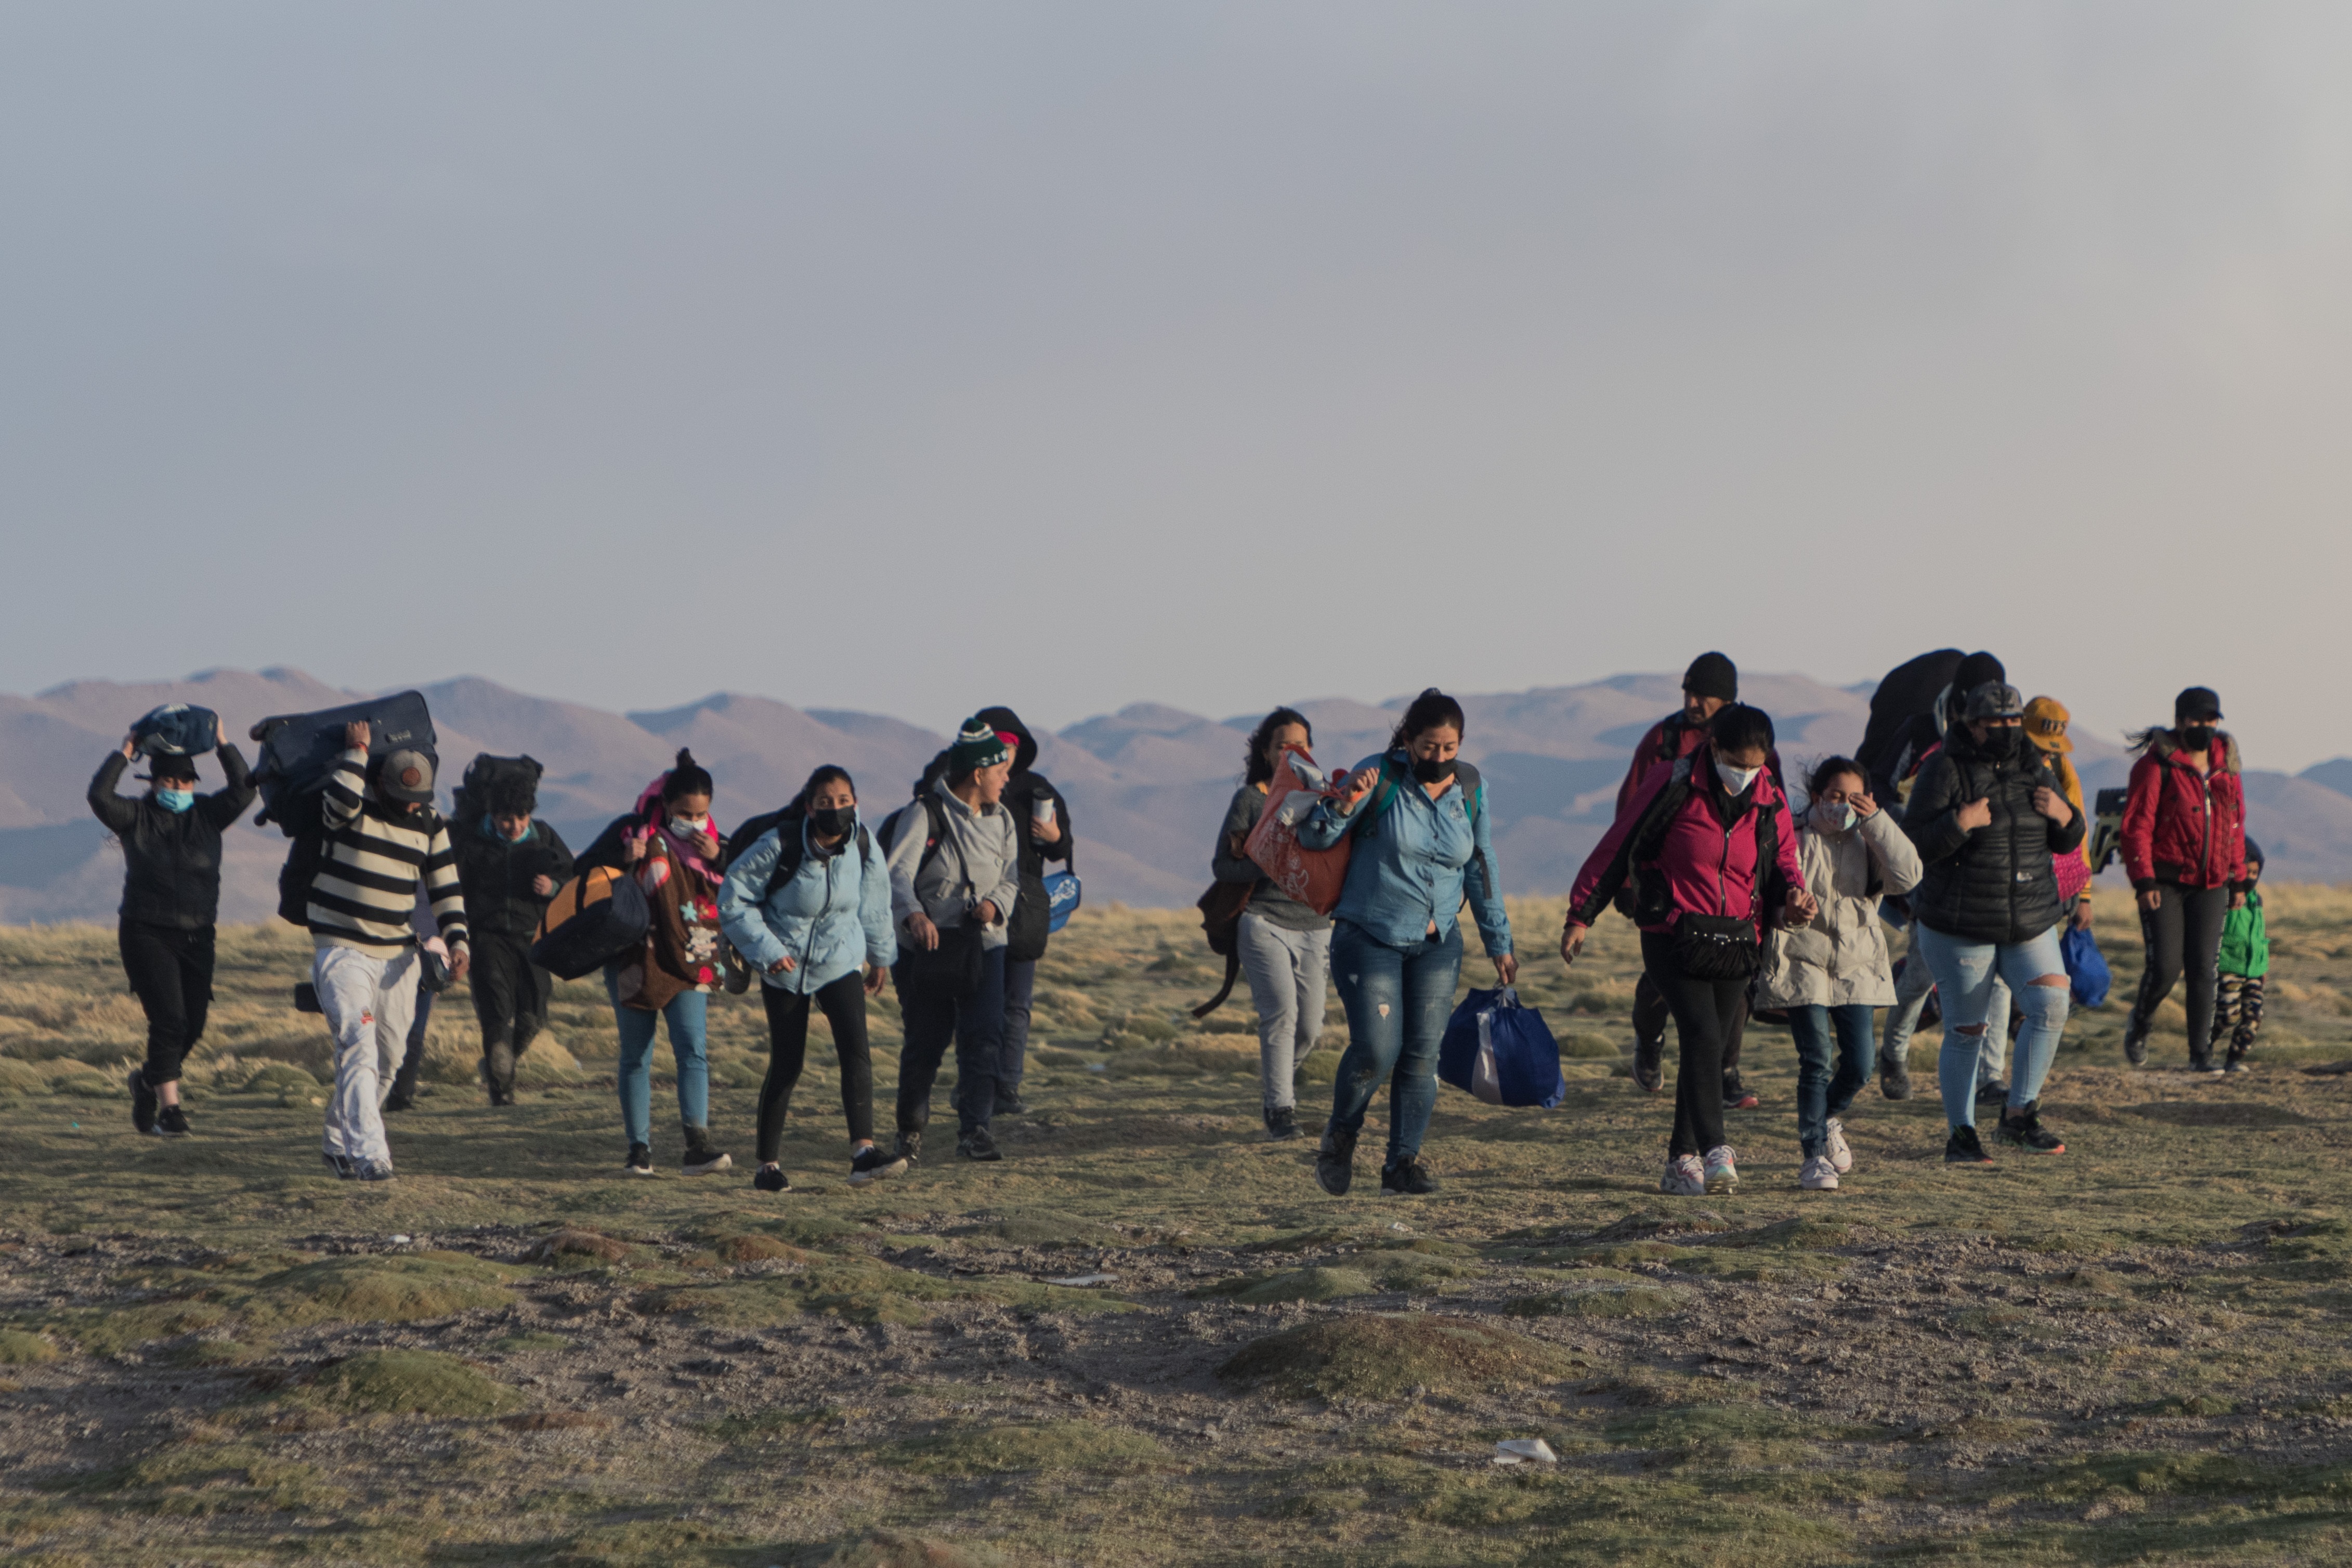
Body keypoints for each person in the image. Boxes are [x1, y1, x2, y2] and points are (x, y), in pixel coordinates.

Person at [1567, 703, 1811, 1196]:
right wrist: (1581, 914)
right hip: (1670, 935)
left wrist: (1795, 896)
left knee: (1711, 1047)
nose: (1744, 775)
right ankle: (1717, 1149)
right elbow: (1618, 845)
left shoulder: (1771, 801)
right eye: (1736, 763)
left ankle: (1681, 1161)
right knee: (1701, 1034)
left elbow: (1783, 859)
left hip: (1738, 941)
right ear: (1714, 748)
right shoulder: (1671, 783)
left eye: (1754, 767)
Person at [1299, 689, 1515, 1199]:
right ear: (1408, 740)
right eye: (1428, 747)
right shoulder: (1379, 775)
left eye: (1449, 747)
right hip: (1369, 934)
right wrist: (1346, 802)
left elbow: (1480, 864)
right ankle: (1340, 1137)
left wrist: (1498, 940)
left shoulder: (1470, 787)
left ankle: (1402, 1164)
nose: (1438, 758)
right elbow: (1315, 839)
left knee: (1421, 1055)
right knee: (1379, 1047)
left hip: (1439, 942)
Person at [1900, 682, 2083, 1163]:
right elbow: (1912, 845)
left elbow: (2067, 842)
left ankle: (2019, 1117)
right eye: (1991, 723)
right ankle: (1962, 1136)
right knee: (1968, 1030)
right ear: (1971, 724)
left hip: (2030, 918)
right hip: (1959, 923)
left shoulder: (2036, 768)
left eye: (2010, 721)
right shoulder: (1944, 769)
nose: (2003, 730)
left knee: (2050, 1006)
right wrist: (1957, 826)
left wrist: (2067, 816)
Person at [718, 765, 901, 1191]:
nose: (834, 810)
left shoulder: (862, 842)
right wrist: (767, 950)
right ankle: (767, 1167)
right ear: (808, 807)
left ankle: (864, 1154)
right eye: (824, 803)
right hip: (784, 963)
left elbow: (875, 902)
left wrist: (880, 957)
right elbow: (733, 897)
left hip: (840, 957)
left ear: (856, 803)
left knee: (856, 1051)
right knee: (788, 1063)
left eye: (842, 802)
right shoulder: (777, 845)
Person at [306, 723, 470, 1181]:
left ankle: (339, 1142)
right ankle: (370, 1156)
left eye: (419, 799)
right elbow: (338, 798)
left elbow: (446, 889)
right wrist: (357, 751)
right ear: (380, 783)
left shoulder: (431, 822)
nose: (412, 805)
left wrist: (459, 941)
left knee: (389, 1059)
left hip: (399, 956)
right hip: (343, 951)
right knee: (357, 1047)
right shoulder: (350, 806)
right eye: (402, 797)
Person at [1611, 653, 1771, 1110]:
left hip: (1736, 893)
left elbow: (1772, 819)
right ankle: (1650, 1039)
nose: (1693, 702)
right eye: (1688, 692)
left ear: (1729, 700)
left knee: (1737, 980)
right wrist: (1626, 881)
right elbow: (1630, 810)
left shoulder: (1755, 742)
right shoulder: (1664, 740)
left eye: (1703, 694)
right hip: (1671, 893)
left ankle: (1725, 1072)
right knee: (1664, 978)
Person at [1754, 757, 1921, 1191]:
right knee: (1816, 1061)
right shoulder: (1792, 835)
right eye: (1834, 796)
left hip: (1856, 966)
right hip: (1800, 961)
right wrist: (1787, 912)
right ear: (1816, 797)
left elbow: (1908, 875)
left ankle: (1827, 1118)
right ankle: (1813, 1158)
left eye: (1854, 798)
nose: (1842, 806)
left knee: (1862, 1065)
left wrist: (1878, 822)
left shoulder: (1871, 841)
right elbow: (1768, 889)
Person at [87, 718, 257, 1138]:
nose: (179, 788)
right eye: (170, 780)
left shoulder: (208, 816)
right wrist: (125, 750)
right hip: (146, 931)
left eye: (185, 781)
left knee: (193, 1024)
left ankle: (147, 1082)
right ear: (155, 781)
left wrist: (222, 742)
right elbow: (99, 796)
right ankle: (171, 1112)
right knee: (170, 1020)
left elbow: (245, 789)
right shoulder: (135, 816)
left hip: (199, 934)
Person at [578, 750, 733, 1176]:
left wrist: (718, 856)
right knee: (635, 1056)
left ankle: (697, 1145)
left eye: (702, 814)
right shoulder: (629, 832)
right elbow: (584, 875)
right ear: (665, 805)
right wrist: (626, 860)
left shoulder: (717, 843)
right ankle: (638, 1151)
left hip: (691, 957)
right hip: (634, 957)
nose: (694, 822)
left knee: (693, 1051)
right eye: (685, 813)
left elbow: (741, 882)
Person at [886, 719, 1025, 1164]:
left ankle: (976, 1130)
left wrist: (995, 908)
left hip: (986, 943)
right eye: (1000, 770)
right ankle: (909, 1131)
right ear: (978, 773)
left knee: (985, 1035)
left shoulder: (1004, 820)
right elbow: (895, 876)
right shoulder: (923, 814)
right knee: (926, 1040)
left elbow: (1011, 878)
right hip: (926, 949)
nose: (1007, 777)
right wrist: (915, 914)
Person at [1877, 650, 2011, 1101]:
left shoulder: (2009, 746)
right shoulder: (1920, 733)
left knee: (1998, 975)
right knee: (1921, 973)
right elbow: (1881, 787)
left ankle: (1991, 1077)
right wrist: (1925, 822)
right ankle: (1894, 1053)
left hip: (1989, 871)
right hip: (1928, 865)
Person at [1211, 707, 1333, 1141]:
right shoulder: (1250, 800)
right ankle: (1281, 1109)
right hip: (1264, 922)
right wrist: (1266, 866)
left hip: (1317, 927)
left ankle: (1276, 1084)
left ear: (1311, 751)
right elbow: (1223, 867)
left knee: (1310, 1027)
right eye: (1282, 746)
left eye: (1299, 745)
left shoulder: (1326, 800)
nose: (1291, 753)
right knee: (1281, 1015)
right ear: (1266, 752)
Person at [2119, 686, 2250, 1075]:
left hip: (2213, 883)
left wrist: (2238, 879)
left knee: (2203, 968)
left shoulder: (2228, 767)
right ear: (2179, 722)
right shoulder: (2156, 765)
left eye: (2211, 720)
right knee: (2165, 968)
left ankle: (2200, 1055)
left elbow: (2236, 825)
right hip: (2164, 881)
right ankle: (2140, 1025)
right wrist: (2143, 881)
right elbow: (2136, 825)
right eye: (2197, 720)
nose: (2205, 727)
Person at [448, 768, 573, 1105]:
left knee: (533, 1017)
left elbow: (573, 880)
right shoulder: (471, 842)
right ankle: (502, 1094)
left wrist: (554, 888)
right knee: (497, 1015)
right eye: (506, 819)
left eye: (521, 817)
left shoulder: (545, 837)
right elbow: (449, 886)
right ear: (492, 814)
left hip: (534, 938)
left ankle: (497, 1066)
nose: (514, 826)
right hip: (486, 938)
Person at [975, 705, 1072, 1119]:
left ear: (1020, 750)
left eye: (1010, 745)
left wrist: (1054, 837)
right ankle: (974, 1087)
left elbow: (1061, 850)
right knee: (978, 1004)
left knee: (1017, 1004)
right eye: (995, 744)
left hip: (1025, 907)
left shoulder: (1036, 790)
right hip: (974, 908)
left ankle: (1007, 1089)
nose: (1003, 752)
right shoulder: (963, 787)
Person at [2213, 840, 2268, 1071]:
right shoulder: (2222, 898)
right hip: (2228, 966)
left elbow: (2258, 935)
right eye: (2248, 871)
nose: (2252, 878)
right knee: (2228, 1016)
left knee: (2253, 1018)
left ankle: (2234, 1060)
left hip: (2255, 970)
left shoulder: (2257, 900)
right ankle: (2202, 1048)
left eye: (2256, 873)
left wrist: (2263, 969)